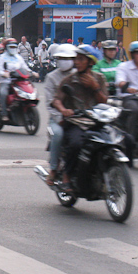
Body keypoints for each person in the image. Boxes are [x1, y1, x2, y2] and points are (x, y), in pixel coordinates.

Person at [52, 45, 108, 190]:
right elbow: (57, 99)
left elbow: (104, 101)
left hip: (96, 121)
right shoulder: (69, 80)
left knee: (121, 139)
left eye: (81, 59)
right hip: (76, 122)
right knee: (76, 143)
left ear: (90, 62)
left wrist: (94, 87)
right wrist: (64, 110)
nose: (76, 62)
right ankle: (66, 175)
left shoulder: (99, 79)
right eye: (76, 59)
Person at [43, 44, 76, 185]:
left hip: (79, 117)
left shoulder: (79, 75)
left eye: (67, 58)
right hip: (58, 118)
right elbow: (50, 103)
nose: (64, 60)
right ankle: (54, 169)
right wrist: (61, 116)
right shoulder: (51, 77)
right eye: (61, 58)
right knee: (58, 135)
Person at [0, 39, 29, 122]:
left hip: (18, 81)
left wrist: (32, 73)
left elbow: (25, 67)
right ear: (6, 47)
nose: (12, 48)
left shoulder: (18, 57)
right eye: (11, 47)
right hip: (6, 81)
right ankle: (4, 114)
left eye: (14, 47)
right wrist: (4, 74)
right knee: (3, 93)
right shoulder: (2, 57)